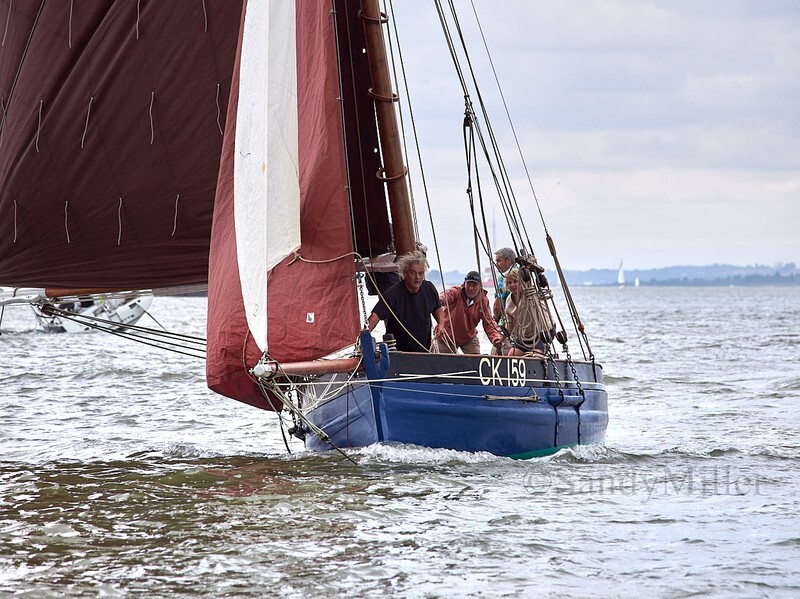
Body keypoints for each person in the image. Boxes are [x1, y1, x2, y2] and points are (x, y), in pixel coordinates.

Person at [367, 250, 445, 352]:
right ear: (404, 273)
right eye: (413, 273)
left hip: (424, 351)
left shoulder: (429, 289)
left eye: (420, 273)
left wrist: (441, 324)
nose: (417, 277)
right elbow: (375, 315)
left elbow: (437, 309)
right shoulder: (392, 294)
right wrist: (365, 336)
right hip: (399, 353)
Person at [435, 271, 504, 354]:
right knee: (442, 363)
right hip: (446, 336)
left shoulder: (483, 300)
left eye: (474, 285)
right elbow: (446, 295)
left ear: (480, 286)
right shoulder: (456, 292)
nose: (471, 288)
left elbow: (488, 322)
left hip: (468, 337)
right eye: (469, 285)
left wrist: (495, 338)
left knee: (476, 361)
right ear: (464, 284)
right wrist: (440, 300)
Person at [502, 268, 555, 357]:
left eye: (515, 281)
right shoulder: (509, 300)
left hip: (543, 332)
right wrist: (502, 338)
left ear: (522, 282)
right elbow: (510, 324)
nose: (512, 285)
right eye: (509, 283)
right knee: (511, 355)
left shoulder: (531, 295)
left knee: (534, 356)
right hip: (526, 336)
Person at [492, 247, 516, 323]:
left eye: (499, 261)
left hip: (509, 321)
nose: (496, 264)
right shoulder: (523, 272)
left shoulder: (504, 277)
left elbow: (497, 306)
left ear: (508, 260)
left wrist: (495, 319)